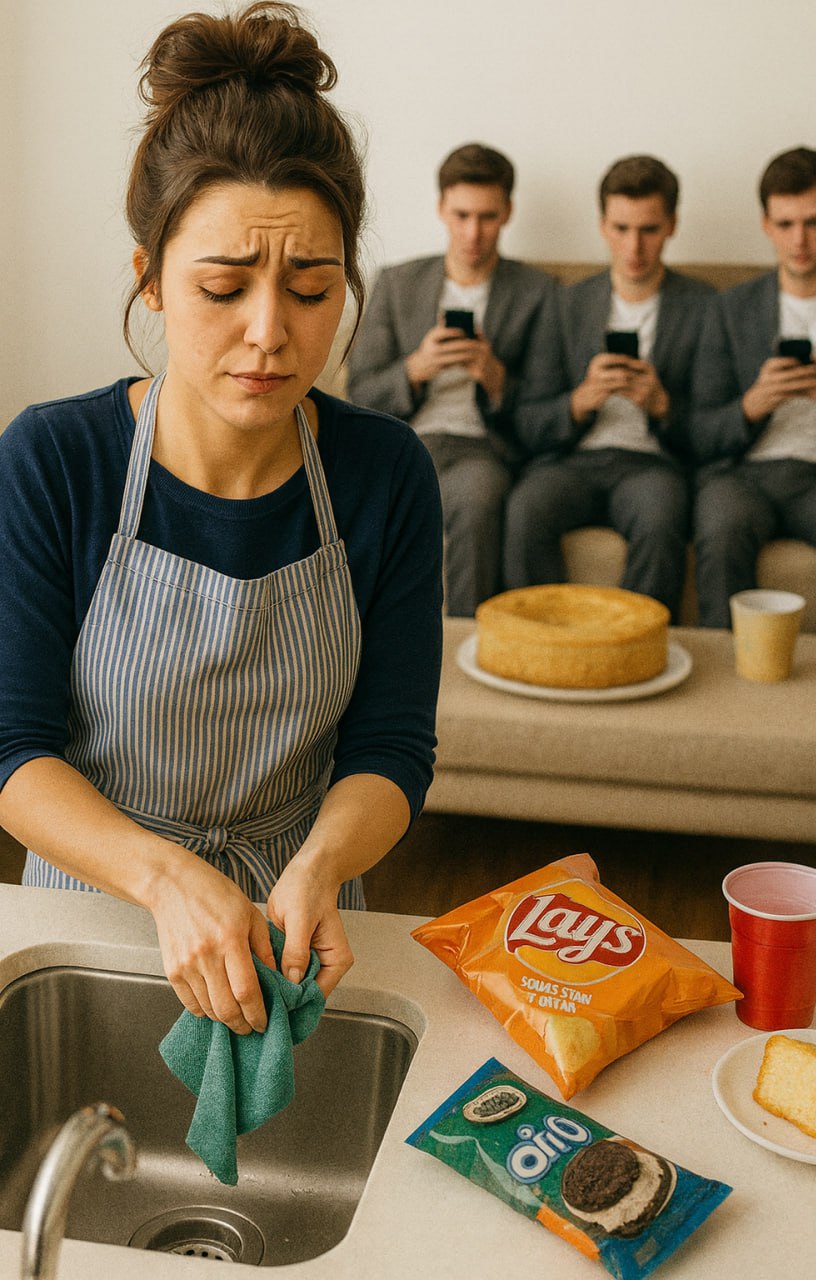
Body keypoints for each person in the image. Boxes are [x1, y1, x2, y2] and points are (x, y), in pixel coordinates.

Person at [0, 4, 443, 1032]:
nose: (269, 333)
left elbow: (391, 748)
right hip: (94, 919)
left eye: (311, 288)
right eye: (223, 285)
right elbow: (14, 750)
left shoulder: (385, 476)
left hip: (301, 930)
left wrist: (321, 859)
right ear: (150, 277)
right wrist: (164, 879)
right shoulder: (53, 460)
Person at [346, 143, 558, 617]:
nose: (473, 232)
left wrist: (497, 379)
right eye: (461, 214)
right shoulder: (398, 283)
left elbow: (545, 409)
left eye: (487, 216)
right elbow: (361, 392)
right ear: (442, 207)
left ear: (507, 212)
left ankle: (464, 637)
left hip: (479, 449)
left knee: (479, 496)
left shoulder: (537, 292)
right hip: (401, 441)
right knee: (355, 494)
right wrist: (416, 367)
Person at [503, 155, 714, 618]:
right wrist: (580, 402)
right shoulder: (566, 303)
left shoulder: (703, 306)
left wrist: (662, 405)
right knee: (525, 509)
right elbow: (529, 418)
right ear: (602, 226)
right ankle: (539, 641)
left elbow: (711, 428)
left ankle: (639, 647)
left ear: (672, 225)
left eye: (648, 230)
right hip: (573, 460)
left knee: (661, 518)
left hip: (652, 465)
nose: (633, 247)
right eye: (620, 229)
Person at [689, 146, 816, 633]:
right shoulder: (731, 308)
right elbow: (699, 430)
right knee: (721, 525)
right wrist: (751, 406)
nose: (799, 240)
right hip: (745, 473)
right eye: (785, 224)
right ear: (765, 224)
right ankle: (726, 668)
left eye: (813, 222)